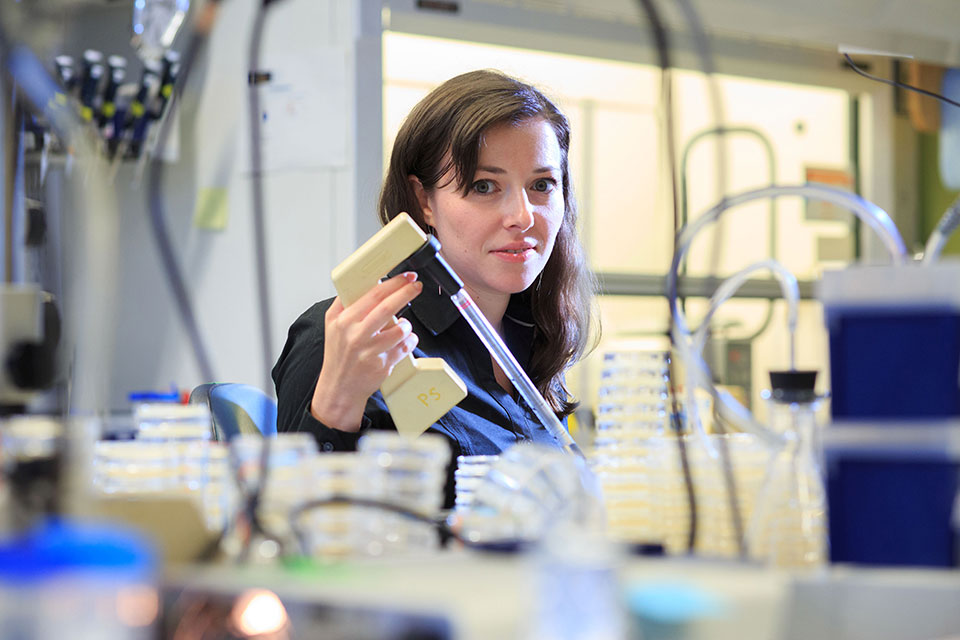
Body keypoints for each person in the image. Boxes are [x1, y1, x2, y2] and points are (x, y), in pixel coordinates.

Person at [272, 70, 596, 486]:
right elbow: (306, 526)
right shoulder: (354, 339)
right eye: (484, 186)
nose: (522, 216)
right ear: (424, 201)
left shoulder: (529, 341)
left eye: (542, 184)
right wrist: (335, 406)